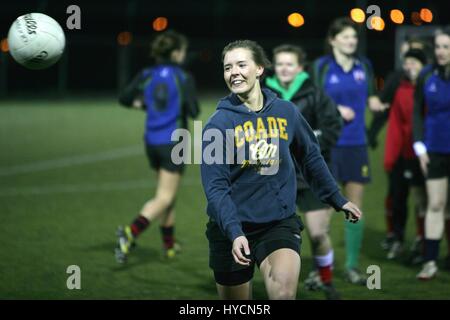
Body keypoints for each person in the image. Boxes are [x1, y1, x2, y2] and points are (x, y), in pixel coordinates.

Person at [201, 39, 362, 300]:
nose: (234, 73)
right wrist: (234, 232)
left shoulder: (286, 111)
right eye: (228, 67)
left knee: (284, 293)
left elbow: (310, 157)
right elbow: (215, 187)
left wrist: (336, 198)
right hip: (230, 228)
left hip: (277, 222)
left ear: (260, 69)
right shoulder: (217, 125)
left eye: (242, 64)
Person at [264, 44, 342, 299]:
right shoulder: (263, 93)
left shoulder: (315, 93)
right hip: (275, 177)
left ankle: (327, 281)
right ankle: (278, 285)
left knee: (318, 234)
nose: (284, 68)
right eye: (280, 64)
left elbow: (331, 127)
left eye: (290, 64)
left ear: (299, 67)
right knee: (275, 236)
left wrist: (306, 142)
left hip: (308, 176)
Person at [115, 30, 200, 263]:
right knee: (164, 197)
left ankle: (169, 246)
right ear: (175, 53)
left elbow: (124, 98)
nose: (183, 55)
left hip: (151, 141)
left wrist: (147, 106)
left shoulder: (146, 74)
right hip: (175, 141)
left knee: (166, 195)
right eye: (182, 51)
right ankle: (131, 232)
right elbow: (194, 111)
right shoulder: (182, 77)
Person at [312, 17, 380, 285]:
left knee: (355, 208)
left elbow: (371, 95)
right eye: (346, 37)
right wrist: (336, 110)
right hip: (328, 146)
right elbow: (312, 101)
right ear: (332, 40)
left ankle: (352, 267)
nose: (351, 41)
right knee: (325, 210)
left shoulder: (365, 65)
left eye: (354, 37)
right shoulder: (321, 67)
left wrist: (375, 102)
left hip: (356, 145)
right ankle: (321, 270)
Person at [381, 49, 427, 262]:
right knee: (398, 198)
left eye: (414, 62)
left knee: (422, 200)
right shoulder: (400, 87)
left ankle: (422, 241)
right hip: (401, 153)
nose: (410, 66)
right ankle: (397, 238)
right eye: (407, 62)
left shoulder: (429, 86)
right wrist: (390, 154)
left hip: (423, 155)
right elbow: (395, 124)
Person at [413, 26, 450, 279]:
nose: (441, 51)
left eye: (446, 47)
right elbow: (417, 111)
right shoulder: (426, 75)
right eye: (438, 46)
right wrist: (419, 146)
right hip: (435, 149)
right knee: (435, 204)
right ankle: (430, 262)